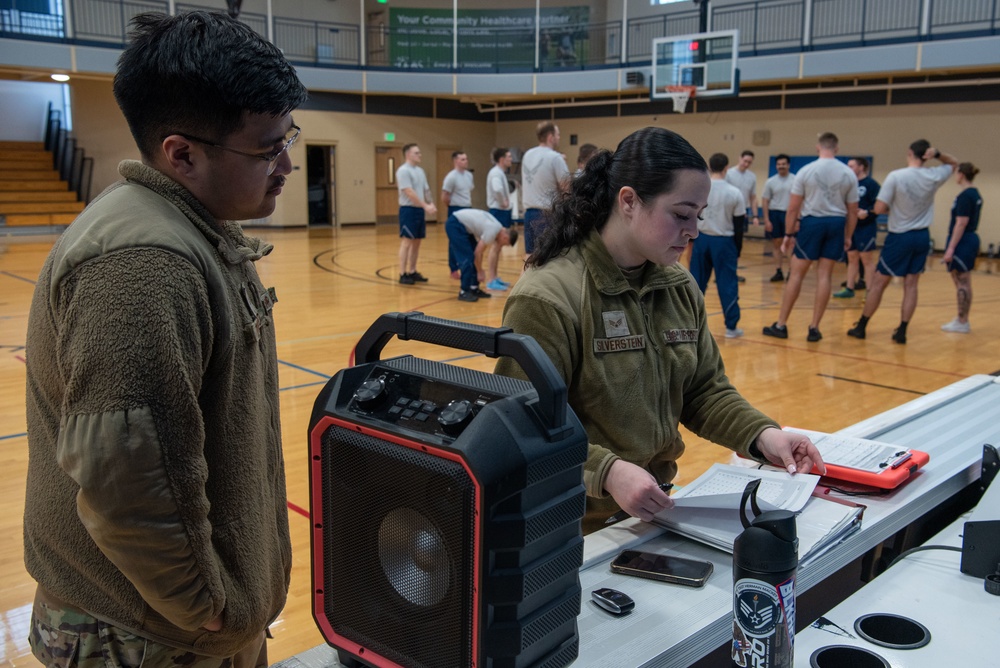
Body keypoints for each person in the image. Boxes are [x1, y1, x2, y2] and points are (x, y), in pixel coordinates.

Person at [22, 11, 307, 668]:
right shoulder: (144, 263)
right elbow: (128, 482)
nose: (287, 163)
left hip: (184, 625)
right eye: (267, 148)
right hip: (142, 635)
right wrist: (209, 606)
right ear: (182, 154)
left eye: (287, 137)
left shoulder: (200, 227)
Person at [494, 127, 825, 534]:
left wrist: (762, 435)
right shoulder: (548, 297)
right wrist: (608, 472)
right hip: (571, 528)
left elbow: (704, 391)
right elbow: (523, 429)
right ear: (629, 201)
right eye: (681, 215)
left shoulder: (678, 286)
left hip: (654, 511)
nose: (694, 231)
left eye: (699, 216)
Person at [847, 140, 958, 343]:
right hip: (922, 235)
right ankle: (902, 331)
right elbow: (953, 163)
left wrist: (868, 212)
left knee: (880, 282)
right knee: (911, 284)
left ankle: (862, 325)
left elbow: (879, 208)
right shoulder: (933, 176)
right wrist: (938, 154)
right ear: (926, 155)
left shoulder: (896, 176)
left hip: (900, 235)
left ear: (909, 153)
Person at [763, 132, 858, 343]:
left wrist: (788, 234)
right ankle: (814, 328)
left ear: (818, 147)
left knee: (796, 274)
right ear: (837, 148)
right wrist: (848, 236)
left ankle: (781, 324)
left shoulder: (806, 171)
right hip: (836, 223)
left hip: (812, 223)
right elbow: (853, 210)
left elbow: (793, 208)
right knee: (825, 276)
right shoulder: (848, 174)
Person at [689, 153, 746, 339]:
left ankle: (690, 325)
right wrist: (738, 249)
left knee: (696, 284)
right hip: (724, 241)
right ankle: (731, 327)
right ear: (726, 168)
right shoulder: (735, 193)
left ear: (709, 166)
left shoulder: (699, 189)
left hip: (702, 239)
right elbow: (739, 226)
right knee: (727, 284)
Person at [940, 163, 982, 334]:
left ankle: (962, 320)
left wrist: (950, 248)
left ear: (961, 174)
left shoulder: (966, 196)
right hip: (967, 239)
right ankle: (961, 319)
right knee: (961, 281)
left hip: (962, 241)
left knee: (962, 280)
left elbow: (961, 222)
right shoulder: (975, 194)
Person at [446, 208, 518, 301]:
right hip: (455, 224)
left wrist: (480, 270)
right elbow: (478, 253)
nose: (501, 245)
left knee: (472, 257)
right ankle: (464, 291)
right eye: (505, 244)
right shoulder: (492, 232)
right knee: (467, 258)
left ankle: (474, 288)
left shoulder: (498, 227)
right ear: (505, 237)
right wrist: (480, 271)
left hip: (463, 226)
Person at [521, 120, 570, 257]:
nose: (559, 138)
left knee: (529, 259)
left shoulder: (527, 155)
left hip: (529, 214)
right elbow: (567, 188)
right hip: (547, 215)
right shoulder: (555, 158)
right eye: (558, 134)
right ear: (550, 137)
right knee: (549, 260)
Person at [834, 157, 881, 298]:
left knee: (866, 259)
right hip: (850, 226)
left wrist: (867, 213)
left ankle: (870, 290)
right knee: (851, 257)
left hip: (865, 227)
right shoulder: (847, 184)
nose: (848, 168)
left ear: (861, 167)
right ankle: (849, 287)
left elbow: (879, 206)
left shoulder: (872, 185)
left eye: (852, 166)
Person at [397, 142, 437, 284]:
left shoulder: (420, 171)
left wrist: (430, 202)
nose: (420, 155)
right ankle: (402, 273)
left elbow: (426, 190)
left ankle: (412, 271)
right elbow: (409, 192)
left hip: (419, 210)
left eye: (419, 152)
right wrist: (425, 206)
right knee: (407, 241)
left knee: (417, 242)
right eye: (416, 153)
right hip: (408, 210)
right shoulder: (403, 171)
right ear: (408, 155)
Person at [761, 154, 794, 282]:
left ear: (788, 165)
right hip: (775, 214)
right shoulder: (771, 181)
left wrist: (797, 219)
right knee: (777, 244)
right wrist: (767, 219)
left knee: (790, 244)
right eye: (779, 164)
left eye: (783, 164)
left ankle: (792, 271)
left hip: (789, 214)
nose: (781, 166)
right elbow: (765, 201)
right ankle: (778, 271)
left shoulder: (795, 180)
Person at [725, 149, 759, 274]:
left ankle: (733, 271)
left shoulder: (752, 176)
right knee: (727, 242)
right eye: (745, 161)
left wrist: (755, 215)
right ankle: (723, 271)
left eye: (749, 162)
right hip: (727, 215)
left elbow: (753, 197)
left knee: (737, 244)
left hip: (741, 215)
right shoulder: (729, 174)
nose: (746, 164)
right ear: (740, 158)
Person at [442, 150, 474, 278]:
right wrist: (451, 207)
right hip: (455, 208)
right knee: (454, 239)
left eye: (466, 159)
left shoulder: (469, 175)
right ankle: (453, 268)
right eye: (462, 159)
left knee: (467, 238)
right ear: (456, 161)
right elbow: (444, 196)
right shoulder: (451, 177)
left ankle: (466, 265)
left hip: (467, 208)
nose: (465, 161)